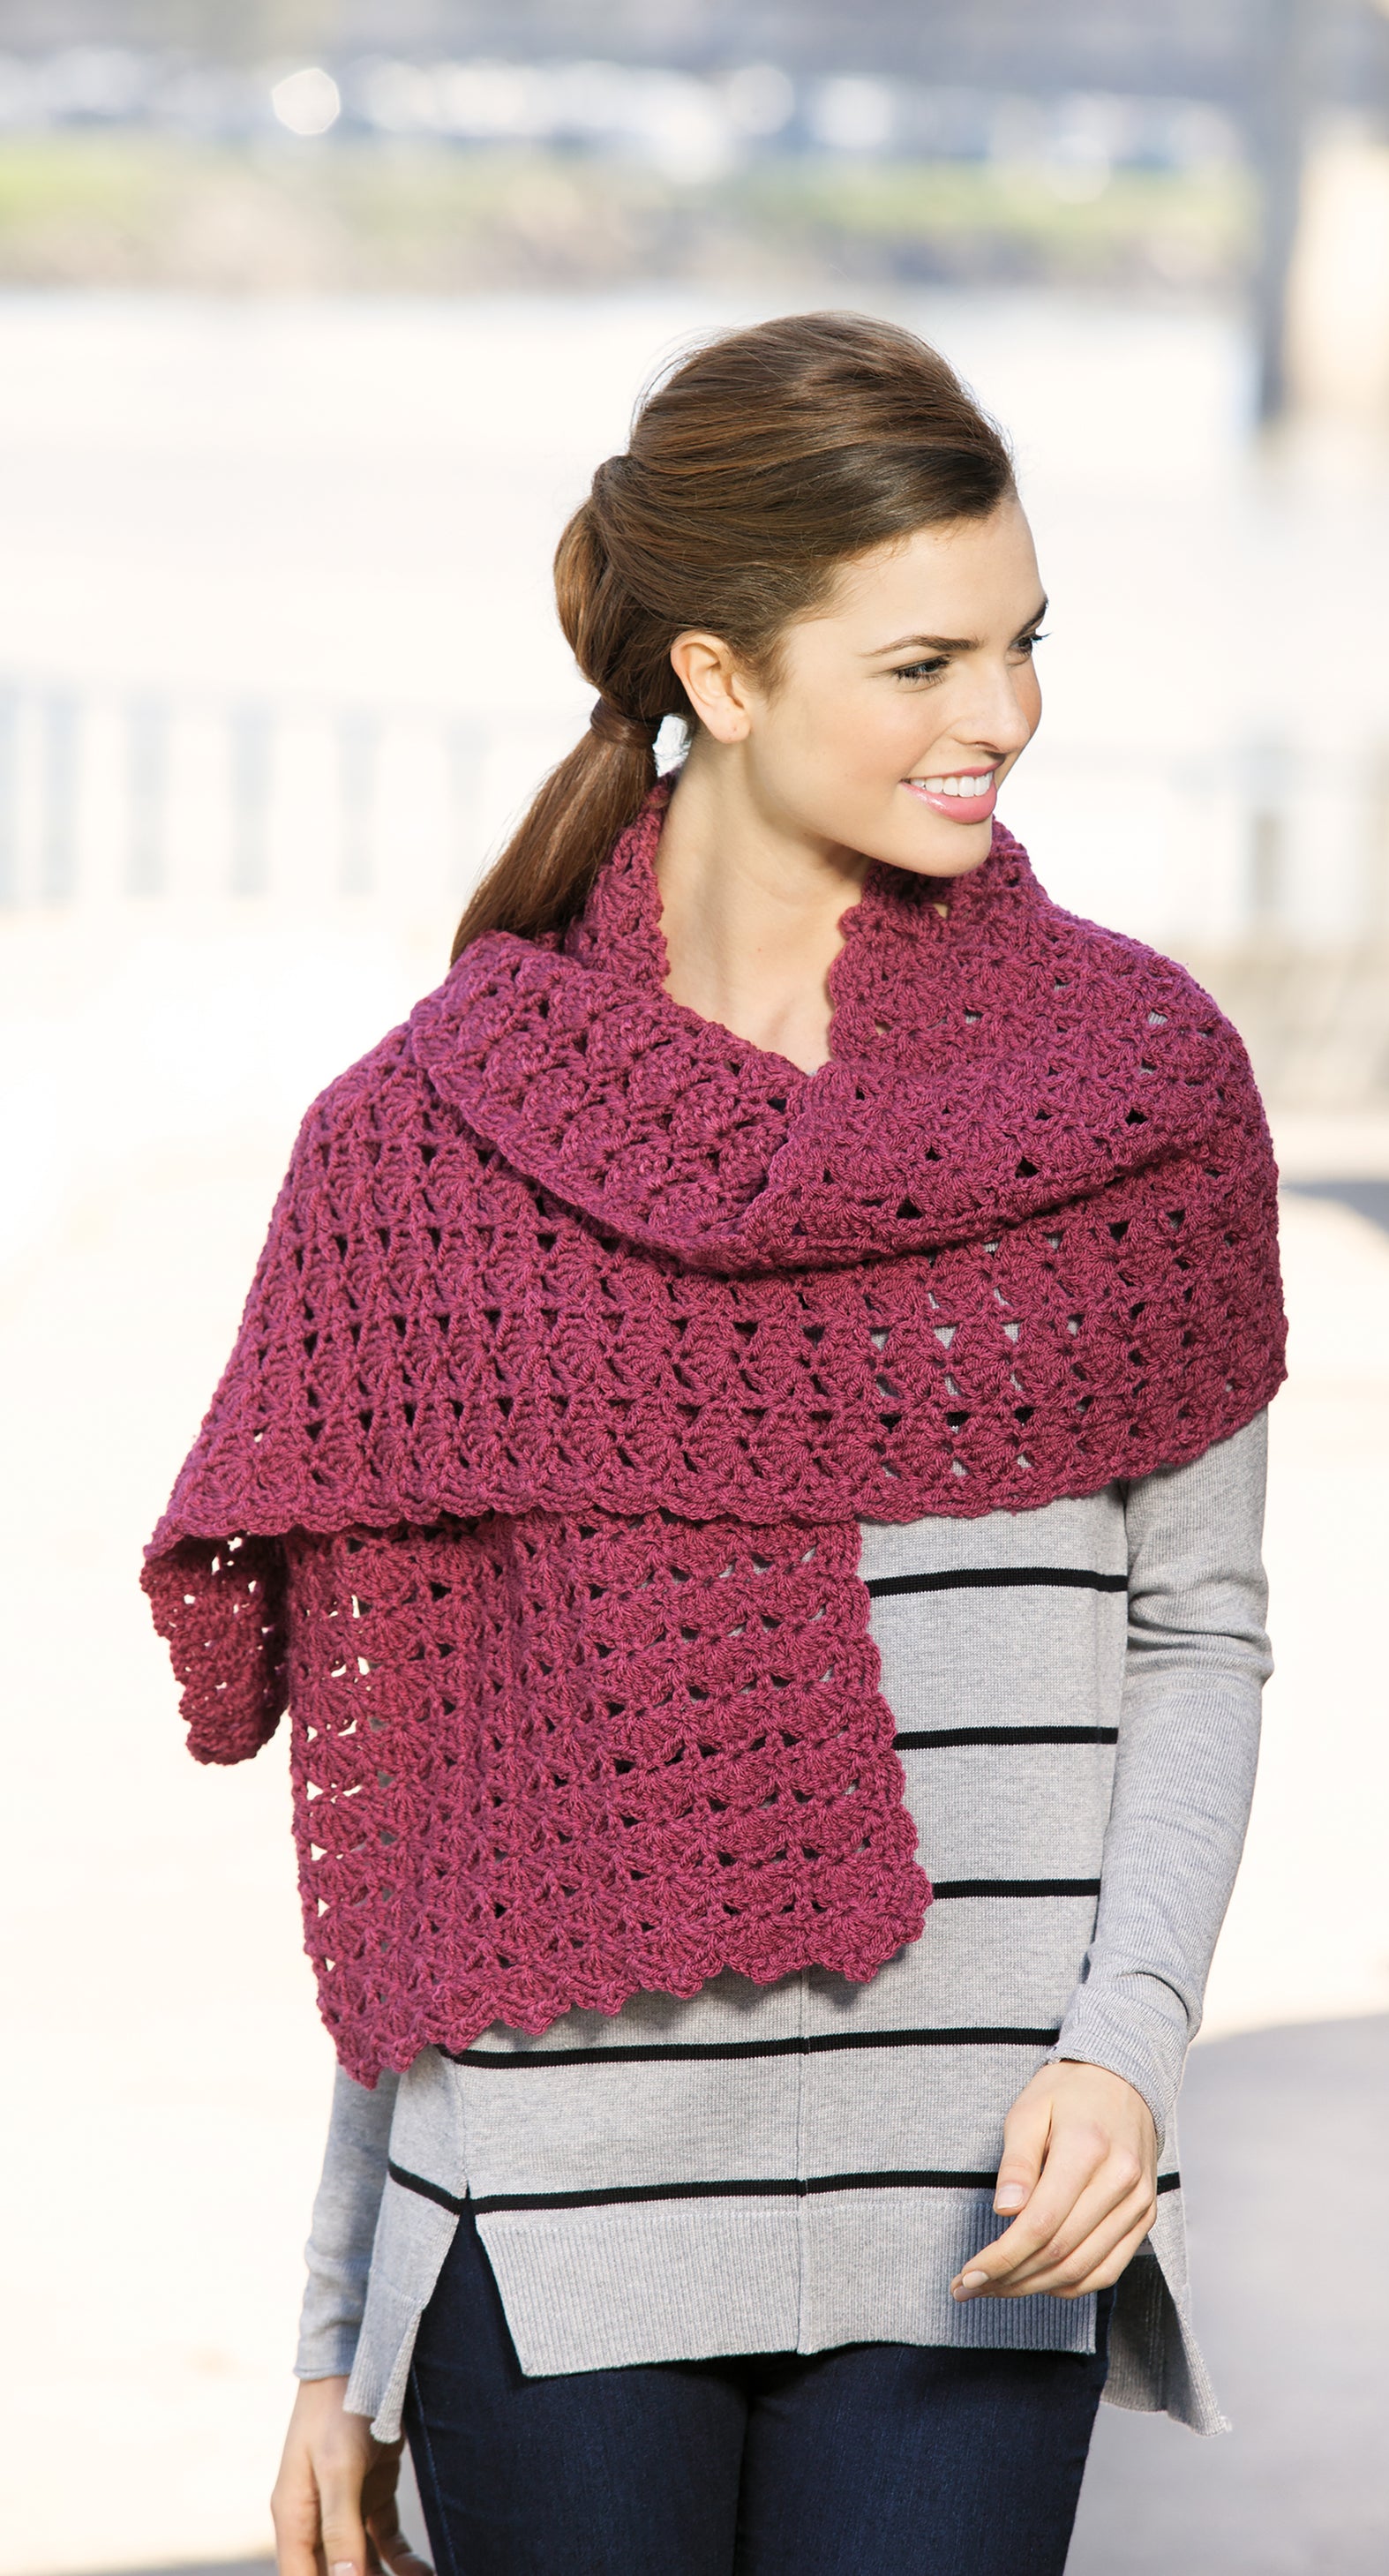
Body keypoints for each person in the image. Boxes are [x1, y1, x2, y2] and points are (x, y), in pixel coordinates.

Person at [143, 312, 1285, 2576]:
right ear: (725, 675)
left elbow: (1199, 1628)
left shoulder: (1135, 1092)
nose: (1004, 718)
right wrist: (335, 2322)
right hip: (548, 2229)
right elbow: (417, 1814)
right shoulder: (427, 1147)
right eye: (925, 660)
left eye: (1026, 645)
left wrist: (1130, 2043)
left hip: (973, 2195)